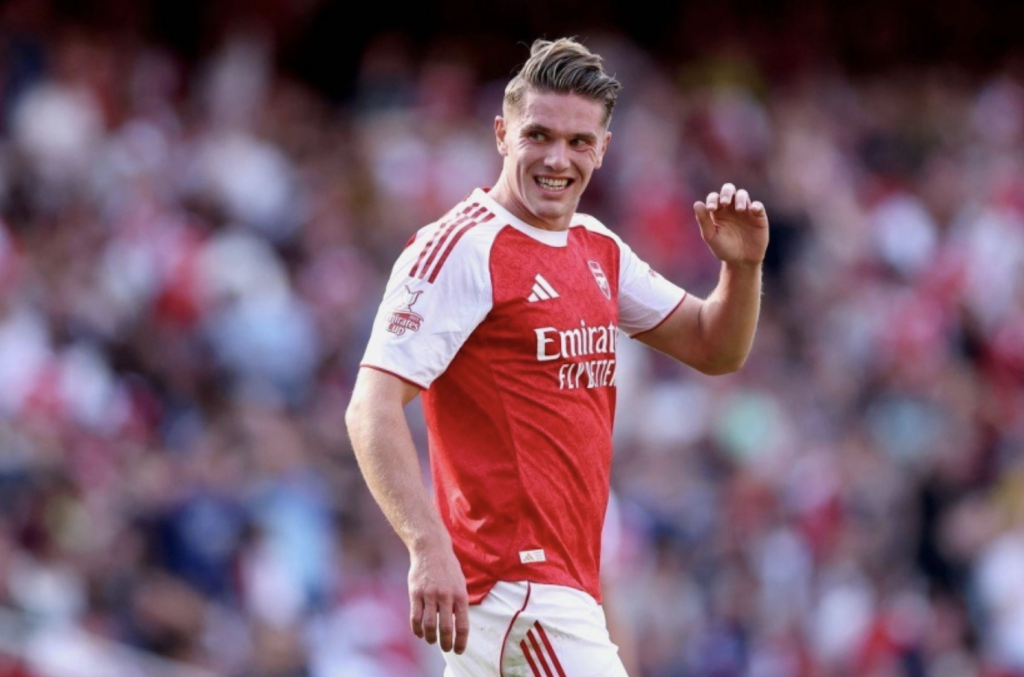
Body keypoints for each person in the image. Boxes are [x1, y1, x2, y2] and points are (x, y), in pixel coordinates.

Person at [344, 36, 769, 676]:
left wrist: (742, 269)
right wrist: (426, 545)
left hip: (554, 589)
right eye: (538, 136)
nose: (556, 159)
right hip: (519, 591)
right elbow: (370, 408)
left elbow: (715, 348)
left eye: (578, 142)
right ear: (502, 134)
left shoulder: (597, 247)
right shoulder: (461, 248)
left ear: (602, 149)